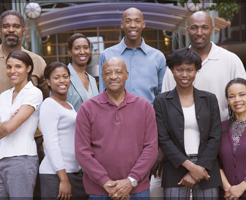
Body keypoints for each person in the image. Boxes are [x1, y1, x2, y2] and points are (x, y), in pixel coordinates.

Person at [151, 11, 246, 196]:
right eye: (194, 27)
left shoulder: (230, 59)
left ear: (212, 29)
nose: (199, 32)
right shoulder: (174, 68)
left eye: (204, 27)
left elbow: (243, 96)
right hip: (178, 153)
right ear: (187, 30)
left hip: (221, 142)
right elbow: (165, 117)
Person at [0, 10, 48, 198]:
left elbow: (47, 101)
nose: (10, 30)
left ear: (24, 31)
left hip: (28, 140)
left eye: (15, 26)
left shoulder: (37, 61)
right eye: (6, 26)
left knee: (27, 190)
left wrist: (47, 136)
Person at [75, 57, 158, 200]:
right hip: (99, 189)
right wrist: (104, 181)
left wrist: (131, 180)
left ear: (127, 75)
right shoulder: (87, 108)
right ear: (102, 77)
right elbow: (82, 151)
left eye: (118, 72)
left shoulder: (144, 106)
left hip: (137, 188)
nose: (113, 77)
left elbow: (151, 148)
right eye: (108, 73)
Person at [154, 48, 222, 199]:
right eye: (179, 69)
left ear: (196, 70)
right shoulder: (161, 101)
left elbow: (215, 136)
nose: (184, 75)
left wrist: (200, 168)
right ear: (172, 70)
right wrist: (191, 167)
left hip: (207, 166)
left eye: (190, 70)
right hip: (175, 165)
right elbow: (163, 138)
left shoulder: (209, 99)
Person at [0, 50, 43, 198]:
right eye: (9, 67)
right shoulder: (4, 95)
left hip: (22, 159)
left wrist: (2, 125)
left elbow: (8, 127)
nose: (12, 71)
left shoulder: (33, 93)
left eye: (18, 66)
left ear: (28, 68)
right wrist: (8, 123)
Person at [39, 62, 88, 200]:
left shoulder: (70, 105)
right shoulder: (49, 104)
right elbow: (51, 144)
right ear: (48, 82)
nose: (62, 80)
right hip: (56, 174)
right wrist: (63, 179)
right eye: (56, 77)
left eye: (65, 76)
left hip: (73, 171)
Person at [99, 7, 166, 104]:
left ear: (143, 25)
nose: (133, 25)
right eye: (128, 21)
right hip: (114, 116)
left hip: (147, 117)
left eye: (137, 21)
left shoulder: (158, 57)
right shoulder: (107, 55)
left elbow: (162, 95)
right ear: (122, 25)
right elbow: (102, 94)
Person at [66, 33, 98, 112]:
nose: (82, 52)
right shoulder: (63, 76)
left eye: (86, 47)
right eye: (77, 48)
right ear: (70, 52)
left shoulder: (92, 80)